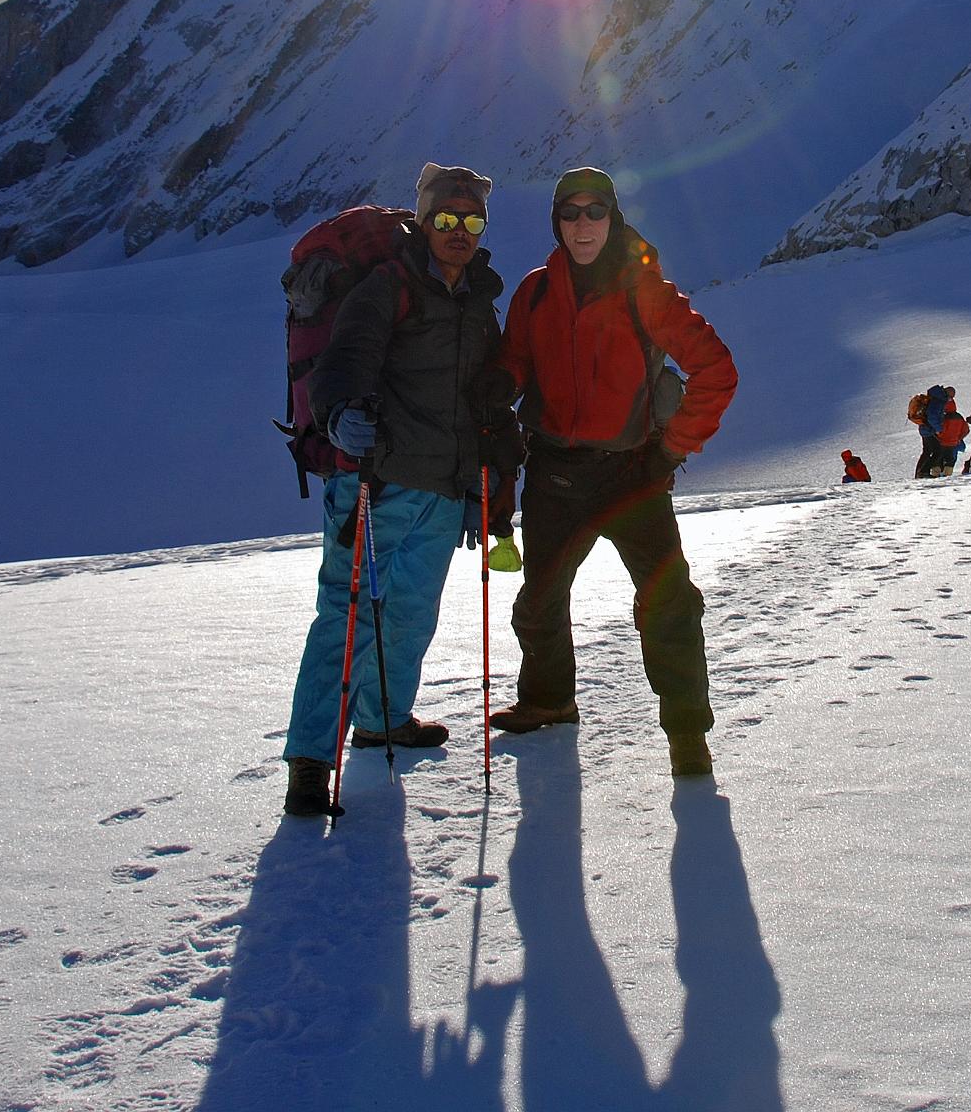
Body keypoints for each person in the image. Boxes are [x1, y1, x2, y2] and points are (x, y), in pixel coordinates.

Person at [489, 167, 738, 778]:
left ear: (613, 216)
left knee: (668, 604)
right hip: (554, 472)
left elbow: (716, 370)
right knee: (540, 601)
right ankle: (549, 701)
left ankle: (687, 733)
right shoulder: (536, 292)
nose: (582, 225)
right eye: (570, 213)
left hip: (633, 475)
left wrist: (670, 449)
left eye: (594, 211)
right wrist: (501, 386)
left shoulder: (642, 289)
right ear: (556, 221)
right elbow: (517, 359)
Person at [281, 163, 512, 819]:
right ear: (423, 219)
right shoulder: (388, 287)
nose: (458, 231)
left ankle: (383, 719)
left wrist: (479, 487)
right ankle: (308, 761)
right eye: (446, 218)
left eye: (471, 220)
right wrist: (338, 417)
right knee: (343, 619)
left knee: (411, 615)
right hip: (373, 485)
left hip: (440, 491)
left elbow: (481, 405)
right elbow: (341, 364)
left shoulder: (477, 304)